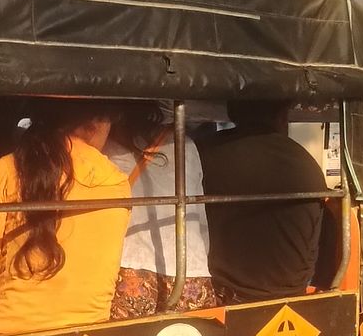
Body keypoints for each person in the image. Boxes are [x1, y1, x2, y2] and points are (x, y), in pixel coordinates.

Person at [0, 103, 130, 336]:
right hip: (90, 333)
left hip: (7, 333)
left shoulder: (7, 170)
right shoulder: (118, 183)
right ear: (94, 124)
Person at [197, 99, 341, 301]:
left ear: (233, 113)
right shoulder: (304, 160)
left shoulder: (208, 151)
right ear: (281, 116)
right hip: (292, 291)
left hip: (226, 293)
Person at [105, 103, 216, 316]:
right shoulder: (186, 145)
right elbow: (200, 218)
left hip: (129, 274)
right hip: (191, 272)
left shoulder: (108, 150)